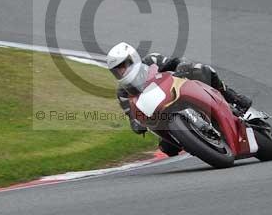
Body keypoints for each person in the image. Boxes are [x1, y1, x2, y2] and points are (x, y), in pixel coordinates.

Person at [106, 42, 255, 156]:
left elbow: (176, 61)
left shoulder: (151, 59)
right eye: (117, 70)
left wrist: (182, 65)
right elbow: (132, 116)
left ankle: (233, 97)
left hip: (178, 89)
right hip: (161, 116)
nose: (122, 71)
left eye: (123, 65)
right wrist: (136, 124)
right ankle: (200, 143)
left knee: (203, 70)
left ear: (133, 58)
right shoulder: (123, 93)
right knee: (167, 148)